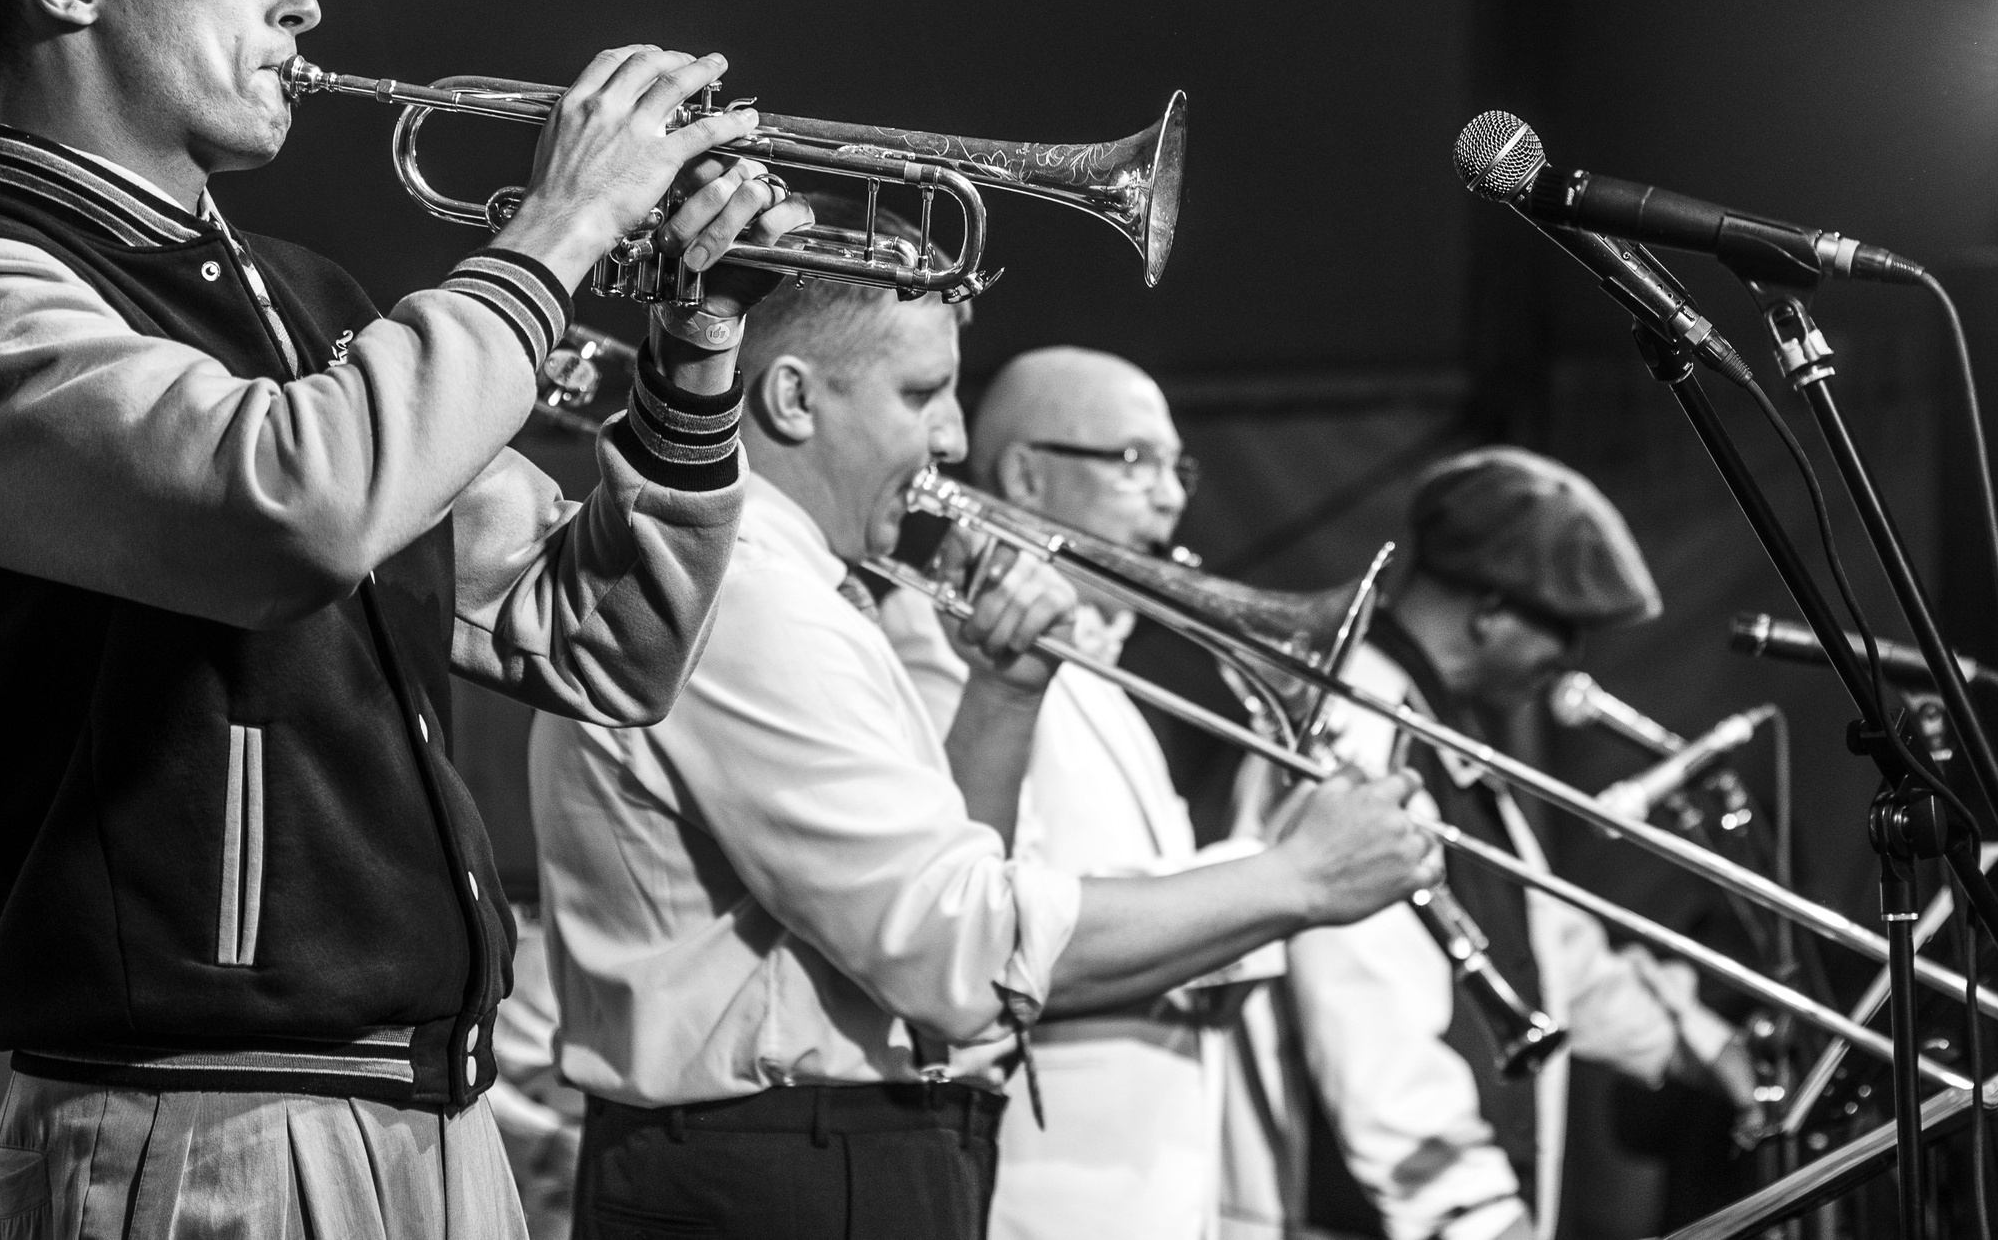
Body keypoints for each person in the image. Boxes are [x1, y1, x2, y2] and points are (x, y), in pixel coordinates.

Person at [0, 0, 808, 1240]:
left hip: (436, 1116)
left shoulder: (311, 309)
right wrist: (558, 228)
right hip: (209, 1121)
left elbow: (597, 642)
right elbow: (294, 502)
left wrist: (693, 350)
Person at [528, 201, 1443, 1240]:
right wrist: (1297, 878)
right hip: (776, 1159)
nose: (954, 439)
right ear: (790, 397)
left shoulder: (808, 592)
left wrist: (1003, 694)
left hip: (820, 1146)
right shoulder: (743, 594)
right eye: (922, 393)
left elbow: (935, 895)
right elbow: (949, 946)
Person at [1221, 447, 1758, 1240]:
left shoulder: (1442, 735)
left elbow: (1546, 949)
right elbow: (1365, 1015)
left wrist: (1701, 1047)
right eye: (1561, 625)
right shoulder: (1359, 731)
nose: (1568, 659)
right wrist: (1472, 1218)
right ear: (1489, 607)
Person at [875, 347, 1267, 1240]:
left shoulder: (1101, 672)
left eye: (1179, 467)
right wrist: (1273, 882)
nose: (1171, 496)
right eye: (1135, 461)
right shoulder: (942, 645)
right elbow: (986, 941)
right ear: (1026, 475)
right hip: (1041, 1197)